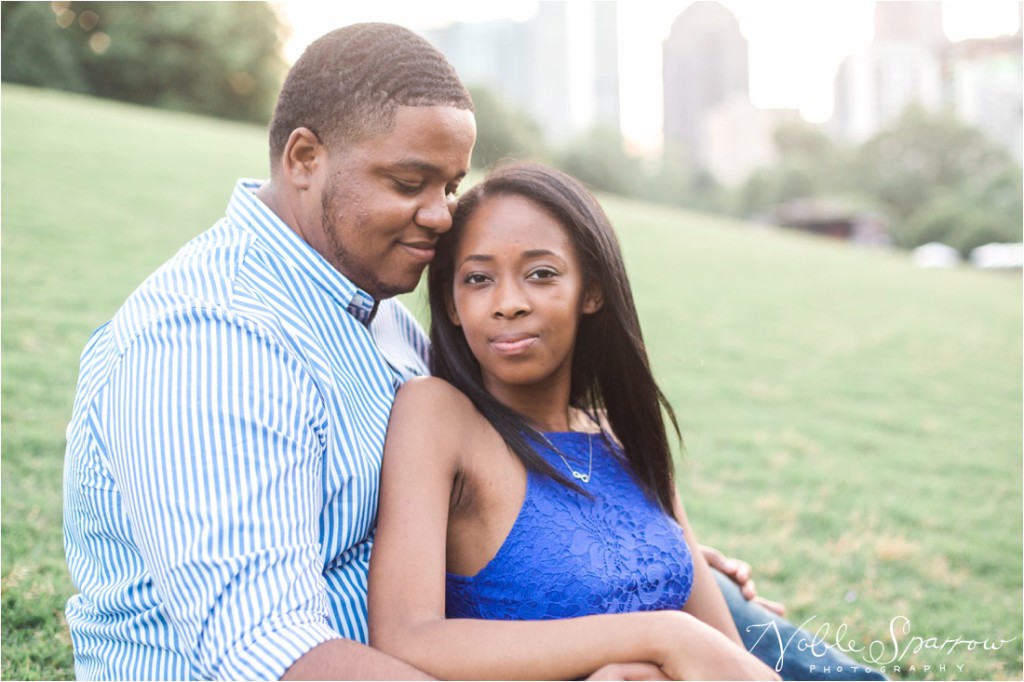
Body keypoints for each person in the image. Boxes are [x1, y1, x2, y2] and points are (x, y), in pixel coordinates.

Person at [367, 162, 884, 681]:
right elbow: (407, 637)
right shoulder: (439, 416)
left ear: (591, 291)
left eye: (541, 274)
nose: (508, 304)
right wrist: (660, 634)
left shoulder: (618, 434)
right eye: (478, 279)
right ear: (452, 305)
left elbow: (723, 651)